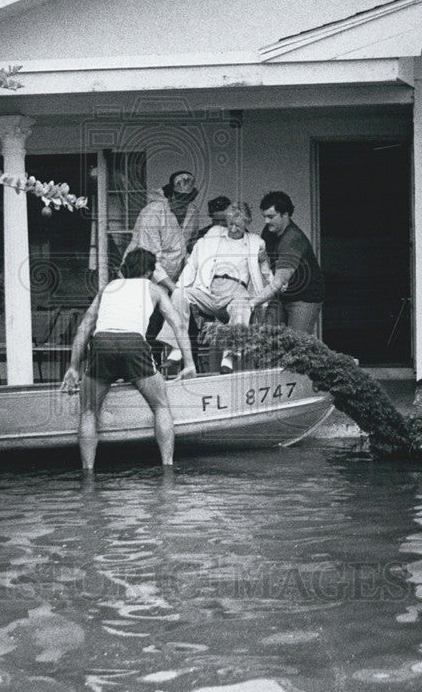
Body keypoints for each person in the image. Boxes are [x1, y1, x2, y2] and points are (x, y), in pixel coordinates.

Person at [60, 247, 196, 471]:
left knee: (88, 412)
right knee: (161, 406)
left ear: (125, 270)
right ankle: (167, 467)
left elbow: (85, 327)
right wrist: (189, 363)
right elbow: (179, 324)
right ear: (150, 272)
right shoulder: (155, 289)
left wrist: (74, 367)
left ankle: (88, 471)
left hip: (101, 343)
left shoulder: (108, 289)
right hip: (133, 344)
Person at [158, 201, 271, 373]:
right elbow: (192, 264)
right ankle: (177, 347)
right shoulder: (213, 238)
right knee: (179, 295)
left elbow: (265, 273)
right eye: (230, 224)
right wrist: (180, 286)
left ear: (247, 223)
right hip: (209, 291)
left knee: (242, 306)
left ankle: (229, 357)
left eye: (238, 226)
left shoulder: (255, 243)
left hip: (235, 293)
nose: (233, 229)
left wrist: (265, 262)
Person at [248, 190, 325, 333]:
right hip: (282, 295)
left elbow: (279, 282)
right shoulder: (269, 231)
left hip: (305, 297)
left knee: (295, 343)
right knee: (266, 338)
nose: (266, 221)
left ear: (285, 214)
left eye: (271, 217)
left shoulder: (293, 239)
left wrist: (251, 303)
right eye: (264, 216)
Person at [123, 170, 200, 295]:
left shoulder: (192, 212)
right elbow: (150, 258)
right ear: (169, 195)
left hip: (171, 280)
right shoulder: (153, 213)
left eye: (187, 199)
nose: (183, 203)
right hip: (142, 275)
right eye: (179, 198)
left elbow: (189, 244)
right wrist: (173, 288)